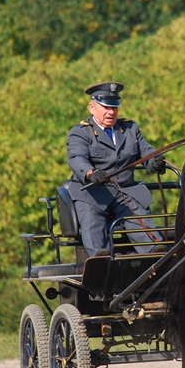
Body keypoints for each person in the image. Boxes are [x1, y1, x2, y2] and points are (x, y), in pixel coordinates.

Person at [66, 81, 166, 257]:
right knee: (95, 235)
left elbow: (146, 152)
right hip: (93, 193)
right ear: (92, 108)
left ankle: (155, 258)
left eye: (114, 107)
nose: (111, 112)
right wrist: (91, 173)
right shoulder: (80, 132)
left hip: (126, 192)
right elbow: (76, 158)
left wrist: (155, 162)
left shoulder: (130, 128)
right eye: (105, 107)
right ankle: (102, 264)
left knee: (145, 229)